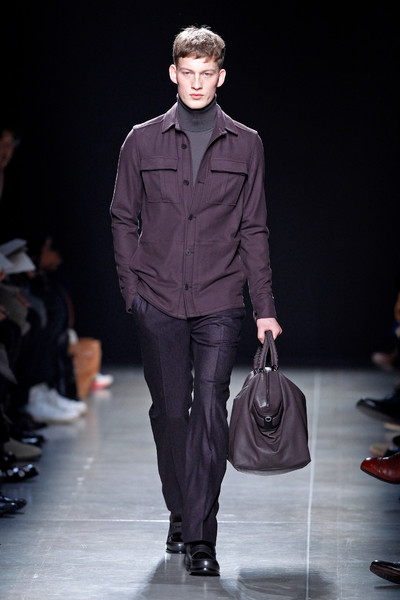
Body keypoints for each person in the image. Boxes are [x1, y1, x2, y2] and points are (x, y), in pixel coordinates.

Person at [110, 25, 281, 576]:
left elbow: (253, 228)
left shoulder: (247, 143)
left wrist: (264, 307)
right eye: (189, 72)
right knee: (170, 413)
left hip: (220, 297)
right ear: (174, 73)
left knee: (209, 409)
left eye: (207, 73)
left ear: (221, 76)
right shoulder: (141, 141)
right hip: (157, 297)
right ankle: (181, 510)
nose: (198, 83)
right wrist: (132, 291)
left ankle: (201, 536)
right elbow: (122, 217)